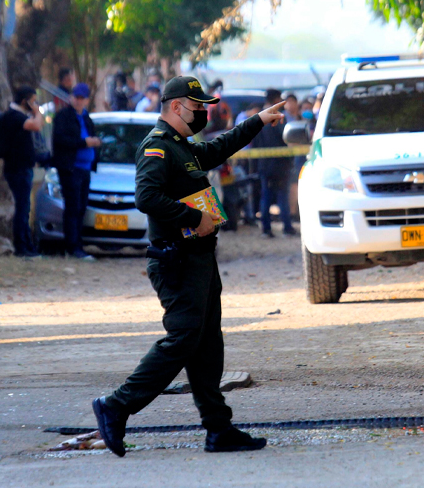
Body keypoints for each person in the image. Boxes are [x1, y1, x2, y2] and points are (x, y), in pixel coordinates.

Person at [91, 76, 285, 457]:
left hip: (199, 259)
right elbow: (147, 196)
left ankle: (218, 428)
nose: (203, 113)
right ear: (177, 106)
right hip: (176, 260)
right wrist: (193, 217)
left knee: (207, 344)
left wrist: (258, 121)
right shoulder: (158, 148)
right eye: (198, 107)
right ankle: (116, 405)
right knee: (182, 340)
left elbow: (220, 147)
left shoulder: (183, 148)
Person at [52, 83, 102, 260]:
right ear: (72, 97)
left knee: (81, 208)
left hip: (85, 169)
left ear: (87, 100)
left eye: (82, 98)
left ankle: (78, 244)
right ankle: (72, 247)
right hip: (70, 168)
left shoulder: (87, 117)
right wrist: (84, 143)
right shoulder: (63, 116)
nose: (78, 101)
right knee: (72, 207)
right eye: (76, 97)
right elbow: (60, 140)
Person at [3, 86, 43, 258]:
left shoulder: (18, 116)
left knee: (25, 208)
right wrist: (38, 112)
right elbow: (36, 126)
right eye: (32, 100)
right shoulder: (14, 116)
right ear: (24, 101)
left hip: (23, 168)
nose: (35, 104)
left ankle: (27, 243)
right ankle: (21, 246)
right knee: (22, 207)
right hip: (17, 169)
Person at [253, 89, 295, 238]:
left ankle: (266, 229)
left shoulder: (258, 118)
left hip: (264, 164)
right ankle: (287, 228)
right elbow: (286, 138)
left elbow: (254, 142)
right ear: (276, 99)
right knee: (282, 196)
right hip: (280, 164)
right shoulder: (277, 117)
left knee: (266, 196)